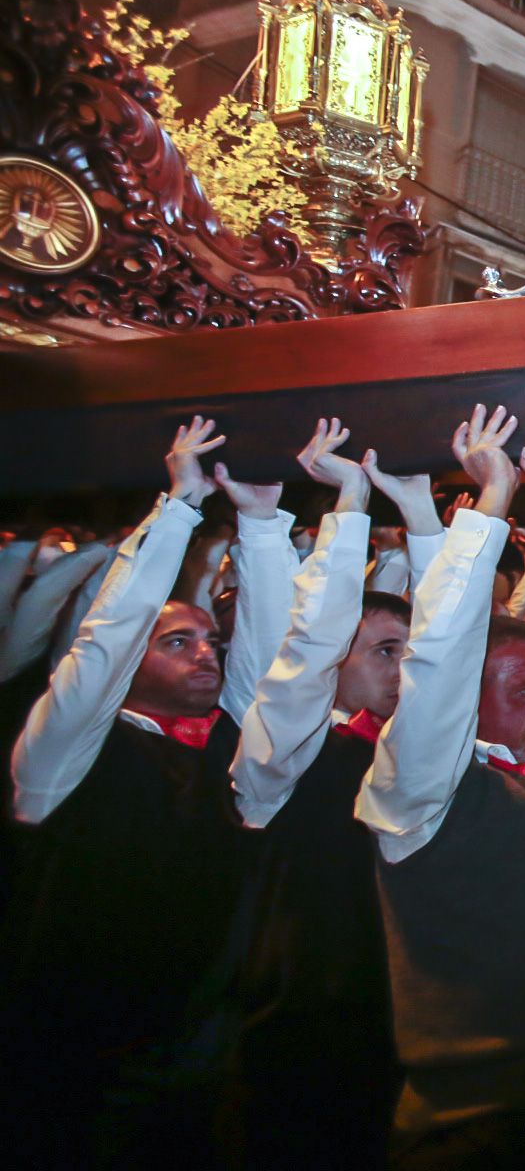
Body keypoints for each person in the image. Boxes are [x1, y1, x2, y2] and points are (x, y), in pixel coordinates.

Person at [4, 417, 283, 1165]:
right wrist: (182, 507)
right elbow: (106, 637)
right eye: (177, 643)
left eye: (208, 642)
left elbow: (270, 654)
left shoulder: (226, 743)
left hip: (198, 1035)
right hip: (74, 1051)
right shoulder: (66, 755)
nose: (205, 655)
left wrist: (261, 524)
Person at [354, 404, 525, 1166]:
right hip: (478, 1121)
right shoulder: (419, 791)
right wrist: (493, 501)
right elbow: (439, 652)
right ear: (464, 705)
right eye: (522, 691)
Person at [226, 419, 445, 1168]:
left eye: (406, 655)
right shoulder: (285, 760)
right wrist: (348, 506)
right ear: (339, 670)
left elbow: (455, 644)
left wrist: (423, 521)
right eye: (385, 652)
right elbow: (296, 652)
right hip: (301, 1020)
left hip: (399, 1008)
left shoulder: (415, 752)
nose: (401, 669)